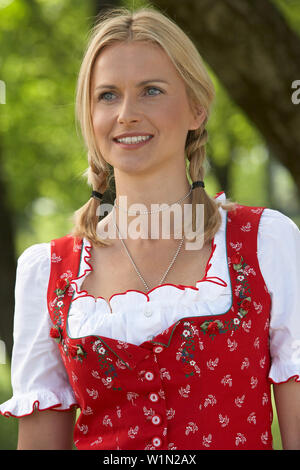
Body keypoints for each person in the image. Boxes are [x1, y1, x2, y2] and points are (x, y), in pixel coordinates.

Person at [1, 6, 300, 451]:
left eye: (151, 91)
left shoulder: (266, 243)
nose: (126, 114)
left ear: (197, 108)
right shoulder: (47, 272)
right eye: (107, 96)